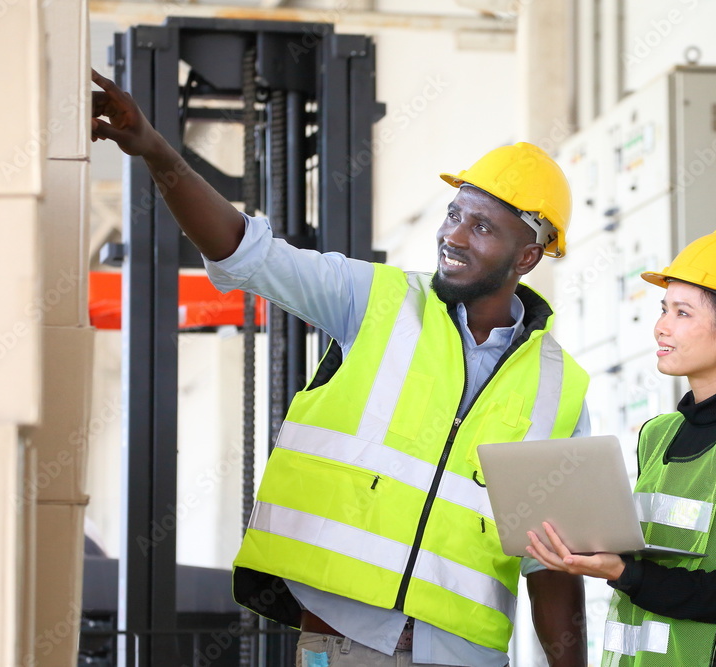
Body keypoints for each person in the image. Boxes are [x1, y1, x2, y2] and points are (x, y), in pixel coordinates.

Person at [90, 69, 590, 667]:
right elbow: (245, 251)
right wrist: (152, 147)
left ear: (528, 256)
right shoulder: (373, 301)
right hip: (346, 642)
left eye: (481, 226)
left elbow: (552, 565)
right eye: (454, 213)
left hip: (467, 655)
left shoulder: (560, 387)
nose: (453, 236)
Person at [525, 228, 716, 666]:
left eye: (682, 313)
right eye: (663, 309)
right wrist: (595, 548)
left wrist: (624, 572)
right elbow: (657, 551)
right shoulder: (657, 434)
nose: (661, 326)